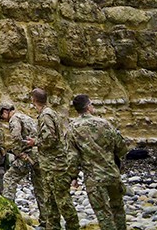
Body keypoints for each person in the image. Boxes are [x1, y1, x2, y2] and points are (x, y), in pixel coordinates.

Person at [68, 95, 128, 230]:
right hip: (112, 174)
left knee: (103, 214)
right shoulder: (104, 123)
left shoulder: (73, 128)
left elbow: (72, 157)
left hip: (93, 179)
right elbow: (121, 147)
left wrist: (73, 176)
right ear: (88, 107)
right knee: (118, 209)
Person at [30, 88, 79, 230]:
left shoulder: (45, 115)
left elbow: (50, 139)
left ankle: (73, 226)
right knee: (50, 200)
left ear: (34, 100)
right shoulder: (50, 113)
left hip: (55, 165)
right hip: (50, 164)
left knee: (62, 200)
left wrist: (35, 142)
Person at [0, 101, 38, 202]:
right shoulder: (24, 117)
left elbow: (16, 137)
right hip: (39, 153)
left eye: (2, 117)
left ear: (5, 112)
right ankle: (45, 217)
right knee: (39, 187)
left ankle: (8, 209)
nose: (4, 120)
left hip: (28, 155)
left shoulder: (14, 119)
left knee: (9, 178)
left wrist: (17, 153)